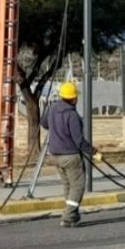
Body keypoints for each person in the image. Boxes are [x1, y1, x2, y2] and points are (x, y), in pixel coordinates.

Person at [40, 82, 102, 227]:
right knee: (78, 186)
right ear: (73, 98)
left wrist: (56, 127)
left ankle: (73, 214)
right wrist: (94, 152)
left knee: (68, 185)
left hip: (55, 155)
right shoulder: (72, 115)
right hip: (71, 156)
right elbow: (79, 141)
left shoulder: (52, 108)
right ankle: (68, 216)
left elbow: (44, 124)